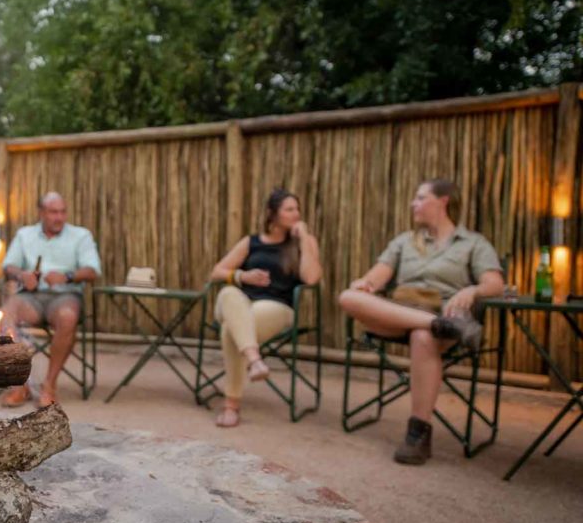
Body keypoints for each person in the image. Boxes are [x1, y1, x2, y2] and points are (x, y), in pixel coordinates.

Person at [338, 178, 504, 465]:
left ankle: (417, 435)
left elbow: (495, 283)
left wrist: (471, 289)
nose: (413, 204)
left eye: (420, 198)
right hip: (400, 313)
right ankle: (435, 323)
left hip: (446, 310)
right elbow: (376, 277)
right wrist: (365, 283)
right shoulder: (404, 241)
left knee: (423, 336)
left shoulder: (473, 243)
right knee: (348, 297)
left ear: (443, 201)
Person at [209, 189, 322, 428]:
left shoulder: (304, 243)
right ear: (272, 214)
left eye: (297, 209)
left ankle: (231, 405)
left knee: (231, 328)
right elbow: (217, 272)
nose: (296, 214)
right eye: (289, 209)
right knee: (229, 292)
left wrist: (304, 240)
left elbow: (311, 279)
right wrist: (243, 276)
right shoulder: (252, 242)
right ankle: (254, 360)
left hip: (276, 308)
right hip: (239, 303)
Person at [0, 192, 101, 408]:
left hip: (65, 295)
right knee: (6, 314)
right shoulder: (25, 235)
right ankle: (21, 383)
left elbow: (92, 271)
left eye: (63, 212)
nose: (59, 217)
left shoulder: (80, 236)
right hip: (31, 296)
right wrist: (22, 276)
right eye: (54, 212)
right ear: (42, 213)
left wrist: (68, 276)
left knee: (67, 316)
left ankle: (49, 385)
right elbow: (8, 266)